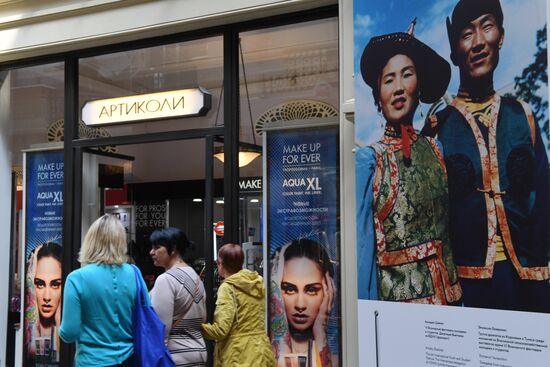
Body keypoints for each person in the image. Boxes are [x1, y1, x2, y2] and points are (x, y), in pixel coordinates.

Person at [421, 0, 550, 312]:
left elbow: (545, 197)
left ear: (501, 37)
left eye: (487, 26)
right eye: (466, 34)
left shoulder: (523, 115)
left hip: (533, 280)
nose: (478, 42)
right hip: (471, 287)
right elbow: (432, 222)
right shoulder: (439, 127)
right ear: (454, 52)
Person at [356, 29, 462, 304]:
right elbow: (363, 253)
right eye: (389, 80)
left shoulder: (437, 150)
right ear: (378, 95)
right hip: (400, 312)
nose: (399, 87)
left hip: (451, 301)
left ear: (420, 86)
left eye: (407, 74)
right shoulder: (369, 161)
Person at [60, 214, 147, 367]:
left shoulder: (76, 278)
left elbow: (69, 333)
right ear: (121, 242)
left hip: (91, 361)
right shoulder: (134, 273)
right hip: (130, 359)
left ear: (90, 241)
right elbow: (147, 314)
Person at [202, 243, 275, 367]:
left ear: (221, 264)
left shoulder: (228, 287)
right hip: (261, 351)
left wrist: (198, 327)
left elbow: (221, 330)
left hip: (239, 354)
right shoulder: (257, 283)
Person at [270, 239, 335, 367]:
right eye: (289, 289)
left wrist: (321, 333)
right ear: (275, 292)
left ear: (328, 290)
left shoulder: (344, 358)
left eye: (311, 290)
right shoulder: (263, 353)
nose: (300, 305)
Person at [149, 227, 207, 366]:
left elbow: (160, 327)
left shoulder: (166, 279)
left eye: (157, 248)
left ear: (173, 249)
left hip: (175, 355)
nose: (151, 252)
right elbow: (202, 319)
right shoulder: (195, 277)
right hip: (198, 351)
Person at [24, 242, 63, 364]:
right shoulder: (26, 339)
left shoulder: (68, 330)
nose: (47, 297)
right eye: (40, 284)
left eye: (55, 284)